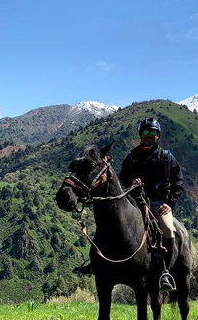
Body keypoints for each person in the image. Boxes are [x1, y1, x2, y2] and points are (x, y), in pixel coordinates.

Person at [75, 117, 184, 291]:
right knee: (110, 225)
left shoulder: (167, 157)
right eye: (146, 132)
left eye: (153, 133)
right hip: (134, 201)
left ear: (158, 135)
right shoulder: (132, 157)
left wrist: (170, 203)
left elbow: (178, 183)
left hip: (158, 203)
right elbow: (122, 181)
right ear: (141, 134)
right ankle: (95, 263)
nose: (149, 135)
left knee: (168, 229)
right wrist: (133, 184)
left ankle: (165, 272)